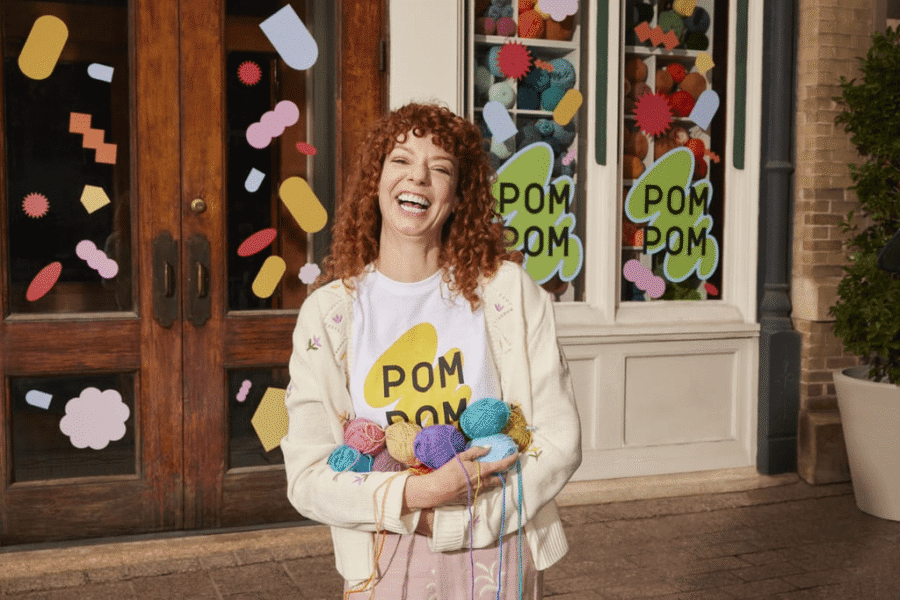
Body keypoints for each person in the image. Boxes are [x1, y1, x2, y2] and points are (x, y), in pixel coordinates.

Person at [281, 102, 581, 599]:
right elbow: (308, 476)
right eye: (400, 161)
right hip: (386, 547)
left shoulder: (508, 292)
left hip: (498, 540)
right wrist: (419, 499)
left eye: (439, 168)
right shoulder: (328, 314)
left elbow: (559, 440)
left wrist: (465, 520)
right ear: (376, 180)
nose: (417, 177)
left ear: (459, 196)